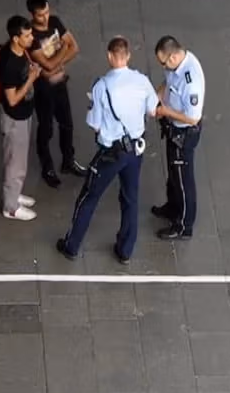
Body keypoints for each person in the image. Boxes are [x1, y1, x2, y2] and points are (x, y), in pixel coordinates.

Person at [56, 36, 159, 265]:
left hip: (111, 153)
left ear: (110, 56)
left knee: (88, 197)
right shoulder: (142, 81)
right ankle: (125, 250)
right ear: (128, 55)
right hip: (136, 149)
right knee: (130, 198)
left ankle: (71, 246)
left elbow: (94, 123)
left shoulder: (102, 86)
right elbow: (153, 110)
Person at [26, 0, 87, 188]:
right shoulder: (31, 37)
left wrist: (55, 64)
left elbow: (75, 47)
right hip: (43, 90)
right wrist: (61, 51)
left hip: (59, 83)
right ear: (32, 15)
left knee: (67, 123)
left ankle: (68, 160)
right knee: (46, 128)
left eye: (46, 12)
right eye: (40, 15)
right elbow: (47, 65)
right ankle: (47, 167)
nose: (45, 18)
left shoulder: (55, 22)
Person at [152, 36, 205, 240]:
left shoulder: (191, 83)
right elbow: (168, 83)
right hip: (173, 128)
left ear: (173, 56)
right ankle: (172, 207)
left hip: (184, 133)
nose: (164, 66)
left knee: (183, 180)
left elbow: (193, 118)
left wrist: (166, 112)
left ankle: (184, 224)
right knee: (174, 172)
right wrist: (155, 97)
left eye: (164, 63)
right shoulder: (176, 67)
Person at [0, 16, 41, 221]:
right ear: (16, 38)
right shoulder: (9, 65)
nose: (31, 38)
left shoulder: (17, 50)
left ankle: (14, 195)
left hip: (24, 115)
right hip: (15, 120)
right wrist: (31, 79)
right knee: (15, 164)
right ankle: (11, 207)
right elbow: (12, 99)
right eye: (27, 35)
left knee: (19, 160)